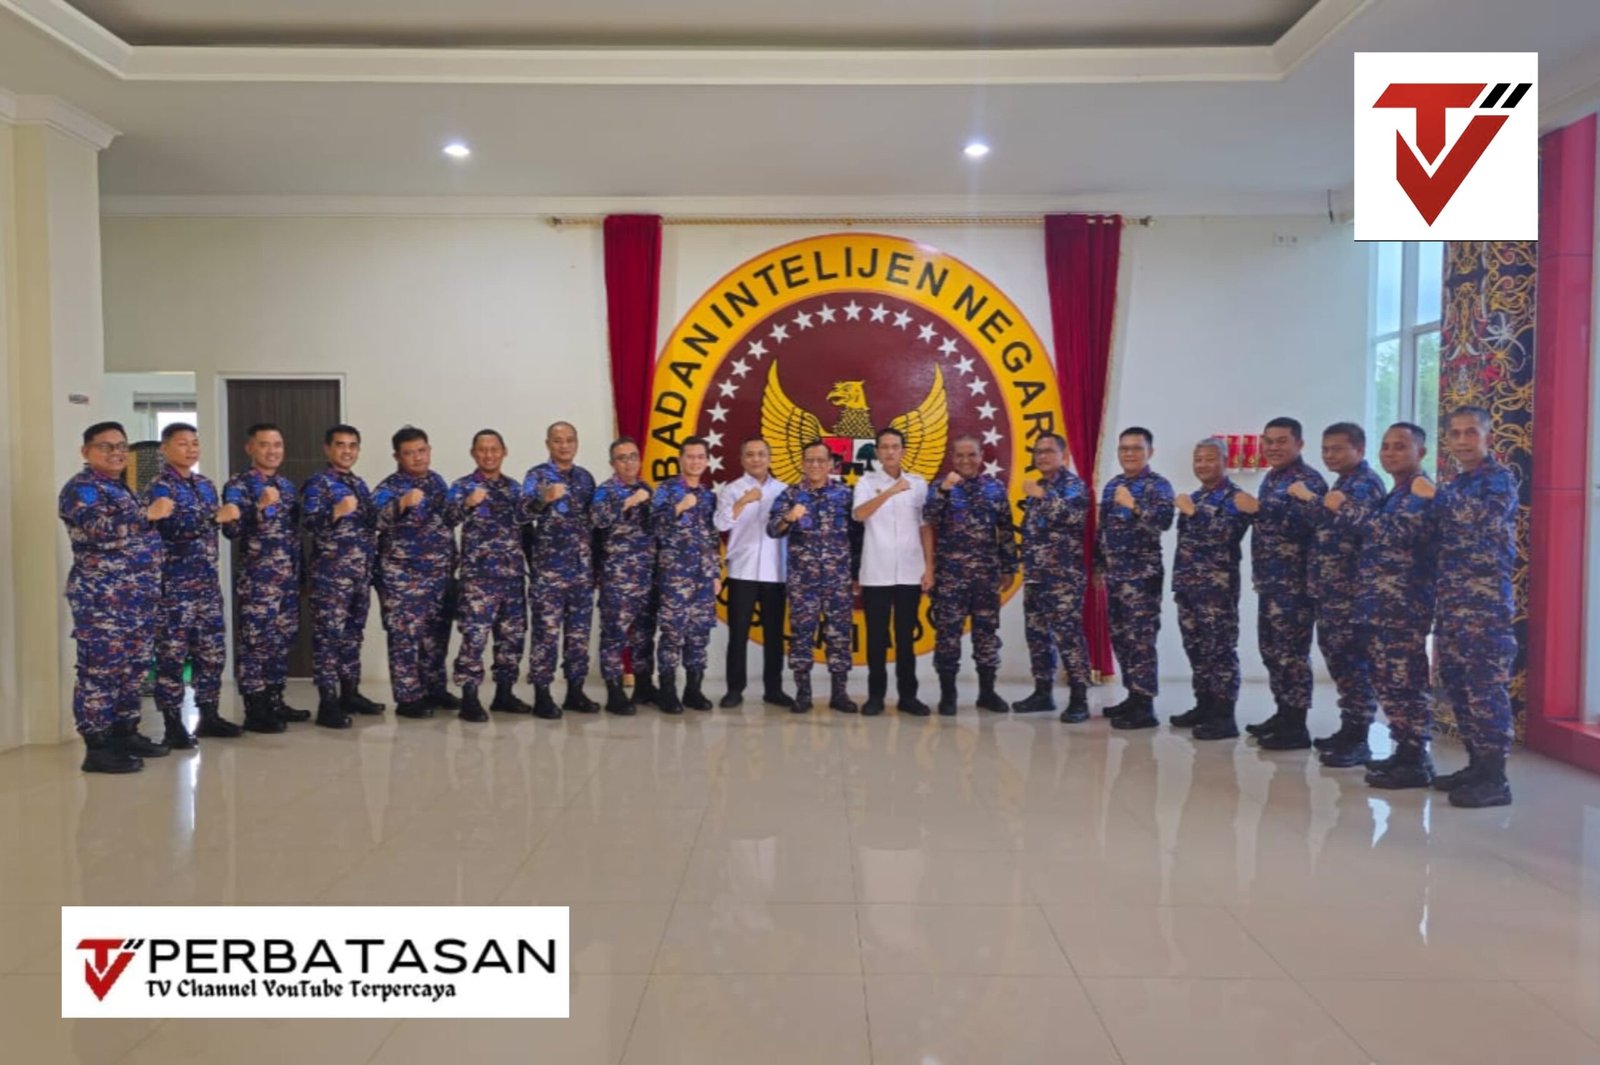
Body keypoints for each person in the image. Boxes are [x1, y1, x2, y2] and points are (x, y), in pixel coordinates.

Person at [1419, 406, 1517, 807]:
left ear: (1487, 436)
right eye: (1455, 433)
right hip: (1454, 604)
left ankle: (1496, 778)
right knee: (1459, 687)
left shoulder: (1499, 479)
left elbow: (1484, 519)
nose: (1462, 440)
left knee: (1485, 691)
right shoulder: (1457, 482)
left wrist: (1436, 496)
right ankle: (1477, 765)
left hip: (1485, 606)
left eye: (1470, 433)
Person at [59, 422, 169, 773]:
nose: (117, 452)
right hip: (103, 600)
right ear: (86, 452)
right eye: (106, 447)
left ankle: (125, 733)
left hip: (137, 598)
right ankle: (98, 745)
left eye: (121, 446)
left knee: (133, 670)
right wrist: (146, 515)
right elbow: (98, 530)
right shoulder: (82, 489)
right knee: (100, 672)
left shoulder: (123, 489)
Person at [1341, 423, 1438, 789]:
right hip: (1380, 603)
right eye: (1386, 446)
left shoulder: (1419, 491)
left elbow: (1394, 533)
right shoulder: (1396, 493)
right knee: (1388, 681)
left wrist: (1349, 511)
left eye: (1400, 447)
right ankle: (1403, 752)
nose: (1390, 453)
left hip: (1403, 605)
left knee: (1406, 681)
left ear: (1421, 453)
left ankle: (1415, 758)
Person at [144, 422, 249, 742]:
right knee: (172, 655)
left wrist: (235, 516)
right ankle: (173, 722)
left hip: (206, 583)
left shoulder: (205, 485)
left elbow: (227, 529)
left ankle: (210, 714)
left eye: (195, 443)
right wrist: (214, 517)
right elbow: (170, 527)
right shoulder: (159, 486)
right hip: (174, 585)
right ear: (165, 448)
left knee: (212, 652)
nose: (190, 449)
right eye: (182, 443)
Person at [1295, 423, 1387, 767]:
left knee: (1353, 664)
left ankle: (1360, 736)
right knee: (1339, 662)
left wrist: (1323, 502)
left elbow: (1368, 528)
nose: (1329, 455)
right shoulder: (1343, 483)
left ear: (1359, 450)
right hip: (1330, 591)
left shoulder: (1364, 484)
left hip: (1350, 592)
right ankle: (1349, 730)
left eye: (1337, 449)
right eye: (1325, 449)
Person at [1238, 416, 1327, 749]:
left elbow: (1310, 524)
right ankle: (1283, 711)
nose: (1273, 447)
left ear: (1299, 444)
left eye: (1281, 441)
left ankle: (1297, 724)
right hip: (1270, 581)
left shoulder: (1308, 480)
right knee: (1272, 651)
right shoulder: (1273, 478)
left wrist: (1260, 510)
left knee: (1292, 654)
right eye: (1268, 441)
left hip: (1295, 584)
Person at [923, 434, 1018, 715]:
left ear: (981, 457)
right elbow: (929, 517)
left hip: (986, 576)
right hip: (951, 577)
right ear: (953, 458)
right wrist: (943, 492)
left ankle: (987, 692)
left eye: (972, 455)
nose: (966, 460)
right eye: (960, 455)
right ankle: (948, 694)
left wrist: (1009, 567)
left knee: (987, 635)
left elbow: (1006, 529)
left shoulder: (995, 488)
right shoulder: (941, 486)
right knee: (947, 636)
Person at [221, 422, 306, 730]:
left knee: (280, 642)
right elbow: (231, 530)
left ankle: (275, 699)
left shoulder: (286, 486)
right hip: (259, 582)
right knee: (256, 644)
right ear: (250, 449)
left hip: (287, 580)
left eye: (278, 445)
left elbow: (293, 535)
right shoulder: (239, 485)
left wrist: (301, 575)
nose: (272, 451)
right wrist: (259, 507)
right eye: (265, 445)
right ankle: (255, 708)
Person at [302, 424, 384, 729]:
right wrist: (334, 512)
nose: (347, 451)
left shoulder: (359, 484)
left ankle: (350, 693)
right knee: (328, 638)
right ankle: (327, 701)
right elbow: (309, 523)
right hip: (331, 577)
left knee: (352, 636)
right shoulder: (318, 483)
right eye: (340, 445)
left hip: (359, 575)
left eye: (352, 445)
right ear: (327, 449)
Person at [373, 426, 458, 719]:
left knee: (436, 636)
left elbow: (446, 521)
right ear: (397, 456)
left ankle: (434, 688)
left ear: (429, 450)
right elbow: (373, 521)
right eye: (409, 453)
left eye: (422, 451)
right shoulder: (389, 487)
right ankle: (408, 697)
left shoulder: (437, 482)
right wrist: (401, 504)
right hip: (402, 576)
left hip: (439, 574)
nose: (418, 458)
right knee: (405, 637)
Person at [767, 440, 858, 713]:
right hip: (802, 581)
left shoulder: (845, 494)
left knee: (839, 637)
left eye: (821, 460)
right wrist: (789, 518)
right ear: (803, 463)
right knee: (801, 636)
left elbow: (858, 536)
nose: (815, 465)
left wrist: (855, 575)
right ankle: (803, 693)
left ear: (831, 464)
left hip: (838, 580)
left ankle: (839, 694)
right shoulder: (790, 494)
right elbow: (773, 530)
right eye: (810, 460)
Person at [444, 429, 529, 722]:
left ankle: (504, 694)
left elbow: (527, 526)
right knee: (474, 638)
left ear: (504, 452)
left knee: (512, 639)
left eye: (494, 449)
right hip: (478, 580)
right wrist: (467, 504)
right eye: (482, 449)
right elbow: (446, 519)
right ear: (473, 453)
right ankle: (469, 697)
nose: (489, 454)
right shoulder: (462, 486)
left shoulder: (516, 489)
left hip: (512, 577)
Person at [1170, 437, 1252, 739]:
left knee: (1220, 651)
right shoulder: (1196, 496)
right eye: (1198, 460)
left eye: (1209, 459)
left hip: (1217, 590)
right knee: (1196, 649)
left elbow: (1226, 535)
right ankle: (1203, 704)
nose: (1202, 465)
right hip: (1188, 587)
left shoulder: (1235, 498)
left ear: (1224, 461)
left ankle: (1224, 715)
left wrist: (1194, 513)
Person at [1095, 427, 1175, 730]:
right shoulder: (1113, 486)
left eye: (1136, 448)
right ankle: (1132, 695)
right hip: (1115, 577)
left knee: (1141, 641)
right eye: (1124, 449)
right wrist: (1097, 566)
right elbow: (1103, 530)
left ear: (1149, 452)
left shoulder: (1158, 486)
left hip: (1142, 579)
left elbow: (1164, 522)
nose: (1129, 454)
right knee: (1121, 638)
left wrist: (1134, 506)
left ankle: (1146, 705)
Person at [853, 427, 933, 716]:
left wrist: (929, 568)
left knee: (904, 636)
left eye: (895, 446)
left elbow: (925, 528)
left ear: (902, 450)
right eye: (884, 447)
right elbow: (860, 514)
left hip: (911, 572)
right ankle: (876, 696)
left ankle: (908, 696)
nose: (889, 451)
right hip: (876, 571)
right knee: (876, 637)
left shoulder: (918, 483)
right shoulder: (866, 482)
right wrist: (889, 492)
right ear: (876, 452)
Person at [1013, 433, 1093, 721]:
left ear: (1063, 455)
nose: (1042, 456)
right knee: (1037, 636)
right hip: (1035, 576)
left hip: (1063, 579)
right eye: (1038, 452)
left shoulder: (1072, 486)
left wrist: (1043, 496)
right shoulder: (1042, 486)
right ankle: (1043, 692)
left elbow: (1074, 516)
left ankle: (1079, 698)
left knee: (1068, 637)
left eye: (1049, 451)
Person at [521, 421, 598, 718]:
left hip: (581, 572)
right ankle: (542, 693)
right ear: (548, 444)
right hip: (549, 573)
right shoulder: (537, 476)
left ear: (576, 443)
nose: (564, 445)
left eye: (569, 440)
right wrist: (544, 498)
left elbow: (593, 525)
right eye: (557, 440)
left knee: (578, 635)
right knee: (546, 635)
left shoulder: (585, 479)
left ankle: (575, 691)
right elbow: (521, 514)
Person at [715, 437, 791, 708]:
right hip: (742, 570)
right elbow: (721, 523)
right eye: (750, 454)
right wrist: (744, 500)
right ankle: (735, 689)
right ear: (742, 459)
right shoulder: (733, 489)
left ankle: (774, 689)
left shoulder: (784, 490)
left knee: (774, 634)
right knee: (738, 633)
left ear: (770, 458)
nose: (756, 459)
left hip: (775, 572)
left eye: (761, 454)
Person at [652, 437, 721, 713]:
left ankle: (694, 689)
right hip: (675, 576)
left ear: (705, 460)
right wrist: (679, 507)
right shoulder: (667, 490)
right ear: (681, 459)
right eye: (690, 456)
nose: (695, 461)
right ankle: (668, 691)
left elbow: (712, 537)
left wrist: (715, 573)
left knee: (699, 635)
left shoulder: (708, 495)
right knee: (671, 634)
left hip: (703, 577)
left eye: (700, 457)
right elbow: (653, 525)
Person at [591, 436, 657, 715]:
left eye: (633, 456)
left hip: (647, 575)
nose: (628, 462)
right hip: (618, 577)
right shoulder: (605, 492)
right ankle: (615, 690)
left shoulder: (647, 488)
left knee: (644, 634)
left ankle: (643, 684)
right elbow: (598, 520)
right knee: (614, 636)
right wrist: (629, 502)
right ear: (612, 463)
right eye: (622, 458)